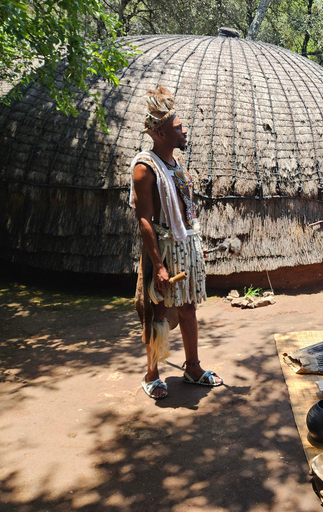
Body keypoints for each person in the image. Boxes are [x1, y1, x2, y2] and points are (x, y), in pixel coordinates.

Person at [129, 85, 223, 400]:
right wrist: (157, 264)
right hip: (163, 249)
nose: (185, 130)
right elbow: (145, 219)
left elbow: (185, 206)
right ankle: (152, 374)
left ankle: (192, 368)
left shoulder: (177, 163)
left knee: (188, 307)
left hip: (183, 244)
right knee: (157, 312)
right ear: (161, 134)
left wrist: (193, 242)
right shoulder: (145, 169)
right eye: (178, 127)